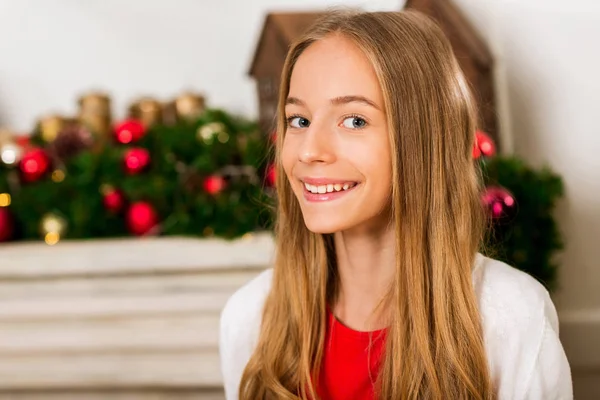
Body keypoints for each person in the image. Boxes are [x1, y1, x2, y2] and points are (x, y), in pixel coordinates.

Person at [219, 9, 573, 400]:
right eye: (299, 120)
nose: (309, 151)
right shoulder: (250, 318)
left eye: (353, 121)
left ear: (422, 138)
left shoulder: (511, 318)